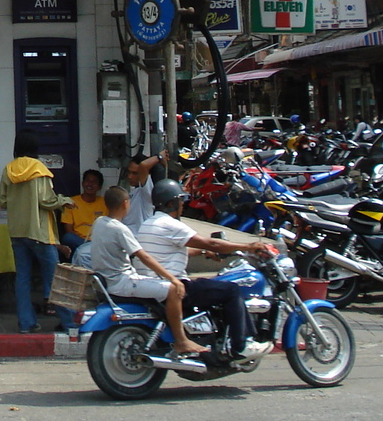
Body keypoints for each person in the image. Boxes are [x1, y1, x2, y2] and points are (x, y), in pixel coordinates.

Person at [137, 180, 275, 366]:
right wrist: (248, 246)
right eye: (180, 200)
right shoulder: (171, 224)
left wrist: (204, 253)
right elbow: (211, 243)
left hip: (154, 285)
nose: (183, 204)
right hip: (175, 286)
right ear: (171, 203)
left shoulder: (148, 224)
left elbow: (176, 250)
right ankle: (241, 346)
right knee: (231, 290)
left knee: (212, 286)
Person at [87, 186, 205, 358]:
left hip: (109, 282)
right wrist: (173, 279)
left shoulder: (99, 223)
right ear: (126, 203)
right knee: (173, 291)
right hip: (123, 282)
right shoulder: (120, 229)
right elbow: (144, 257)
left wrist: (200, 252)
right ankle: (181, 341)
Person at [0, 131, 71, 333]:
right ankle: (68, 322)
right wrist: (64, 200)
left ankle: (26, 323)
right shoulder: (40, 169)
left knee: (22, 278)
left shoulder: (9, 169)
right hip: (39, 233)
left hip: (17, 232)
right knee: (55, 279)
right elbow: (46, 201)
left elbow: (1, 201)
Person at [59, 169, 106, 267]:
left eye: (94, 182)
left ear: (99, 187)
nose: (90, 184)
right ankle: (89, 249)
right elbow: (68, 230)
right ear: (83, 183)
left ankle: (87, 250)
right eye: (88, 181)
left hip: (98, 240)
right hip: (79, 240)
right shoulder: (71, 202)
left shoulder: (105, 202)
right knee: (67, 237)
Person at [123, 153, 160, 232]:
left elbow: (143, 166)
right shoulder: (133, 192)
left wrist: (160, 156)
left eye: (135, 173)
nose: (130, 176)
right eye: (129, 172)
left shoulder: (146, 192)